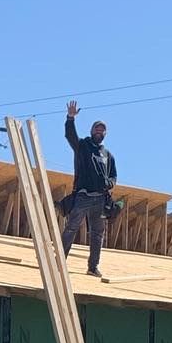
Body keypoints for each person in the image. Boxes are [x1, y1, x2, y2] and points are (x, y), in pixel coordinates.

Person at [62, 100, 118, 277]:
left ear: (105, 134)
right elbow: (70, 136)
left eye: (102, 131)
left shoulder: (108, 155)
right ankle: (60, 262)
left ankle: (93, 267)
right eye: (97, 129)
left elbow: (114, 176)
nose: (99, 132)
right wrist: (70, 118)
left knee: (97, 234)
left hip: (100, 199)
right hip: (84, 196)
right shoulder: (83, 147)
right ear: (92, 131)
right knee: (72, 227)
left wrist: (109, 183)